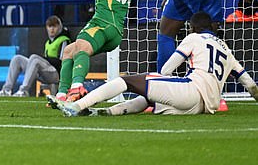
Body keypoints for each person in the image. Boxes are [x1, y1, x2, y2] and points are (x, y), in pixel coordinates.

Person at [49, 12, 258, 117]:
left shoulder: (194, 38)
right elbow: (250, 85)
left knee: (128, 81)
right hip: (205, 106)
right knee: (149, 99)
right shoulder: (226, 49)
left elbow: (167, 68)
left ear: (193, 28)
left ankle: (76, 106)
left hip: (191, 91)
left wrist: (161, 78)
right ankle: (102, 112)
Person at [42, 0, 141, 101]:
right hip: (115, 32)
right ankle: (61, 94)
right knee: (68, 51)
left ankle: (76, 87)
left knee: (81, 45)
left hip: (103, 23)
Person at [0, 16, 69, 97]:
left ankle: (24, 90)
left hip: (56, 74)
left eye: (54, 26)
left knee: (34, 58)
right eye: (50, 26)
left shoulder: (64, 40)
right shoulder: (48, 43)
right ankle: (6, 90)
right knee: (17, 59)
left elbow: (62, 62)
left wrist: (44, 59)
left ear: (59, 27)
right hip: (46, 72)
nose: (52, 29)